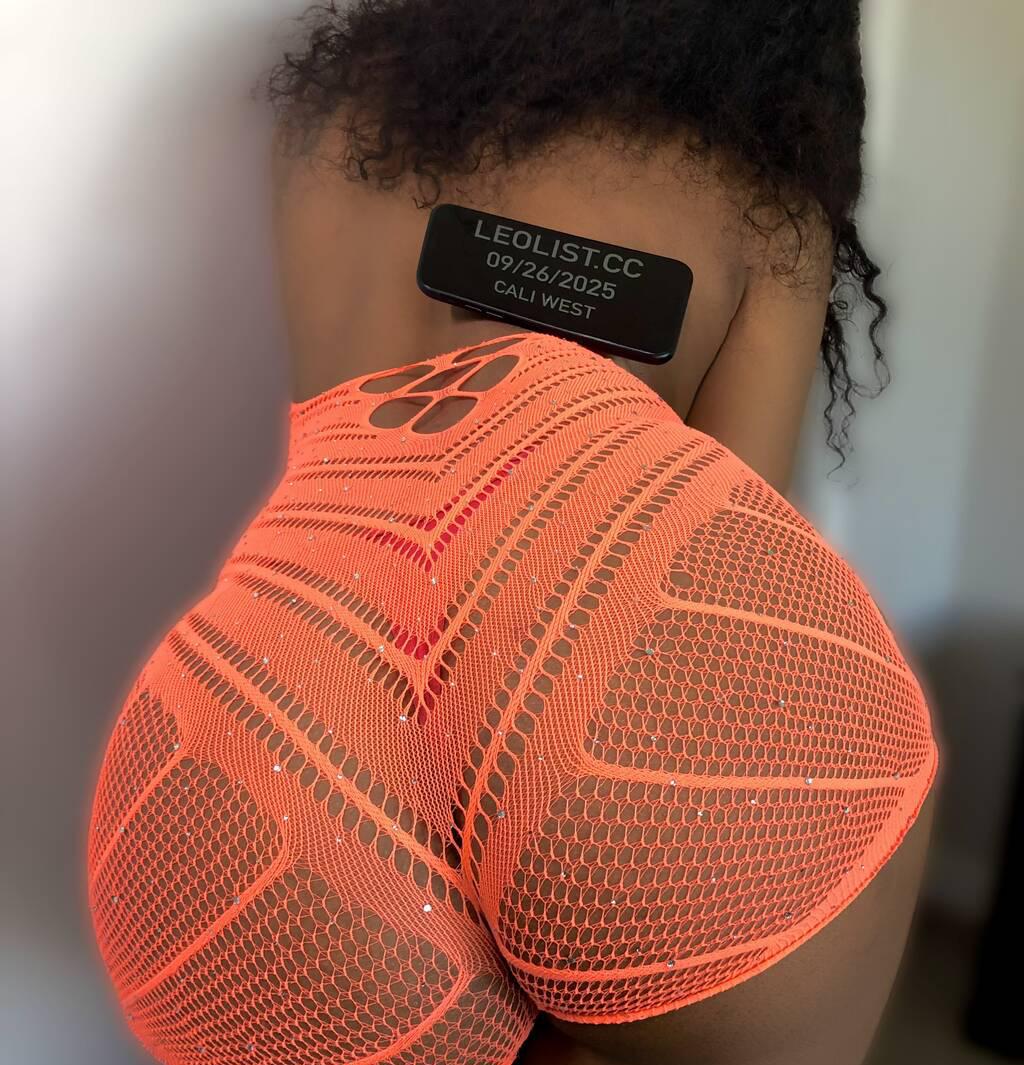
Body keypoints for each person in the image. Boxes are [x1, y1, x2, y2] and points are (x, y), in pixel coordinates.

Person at [86, 4, 938, 1065]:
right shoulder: (759, 195)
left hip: (286, 691)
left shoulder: (340, 121)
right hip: (624, 710)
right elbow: (732, 511)